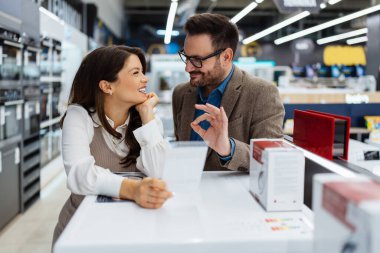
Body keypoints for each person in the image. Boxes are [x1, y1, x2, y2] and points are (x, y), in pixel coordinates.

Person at [53, 45, 172, 245]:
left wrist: (147, 116)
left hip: (131, 229)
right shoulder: (79, 116)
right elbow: (79, 174)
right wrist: (133, 189)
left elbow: (159, 173)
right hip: (83, 231)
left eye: (142, 72)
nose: (145, 79)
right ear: (107, 86)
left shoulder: (148, 118)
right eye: (136, 73)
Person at [172, 13, 285, 171]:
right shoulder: (181, 93)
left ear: (226, 57)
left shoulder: (262, 93)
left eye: (197, 60)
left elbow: (271, 159)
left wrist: (228, 149)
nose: (188, 68)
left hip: (235, 194)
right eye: (186, 57)